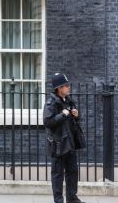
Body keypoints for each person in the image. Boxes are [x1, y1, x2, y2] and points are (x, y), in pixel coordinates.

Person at [43, 73, 85, 203]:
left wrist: (77, 115)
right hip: (58, 144)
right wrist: (62, 114)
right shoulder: (51, 103)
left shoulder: (69, 101)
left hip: (70, 143)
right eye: (66, 85)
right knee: (57, 174)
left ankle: (72, 198)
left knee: (72, 172)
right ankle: (59, 200)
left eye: (68, 85)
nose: (68, 87)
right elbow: (47, 122)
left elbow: (74, 122)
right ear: (59, 88)